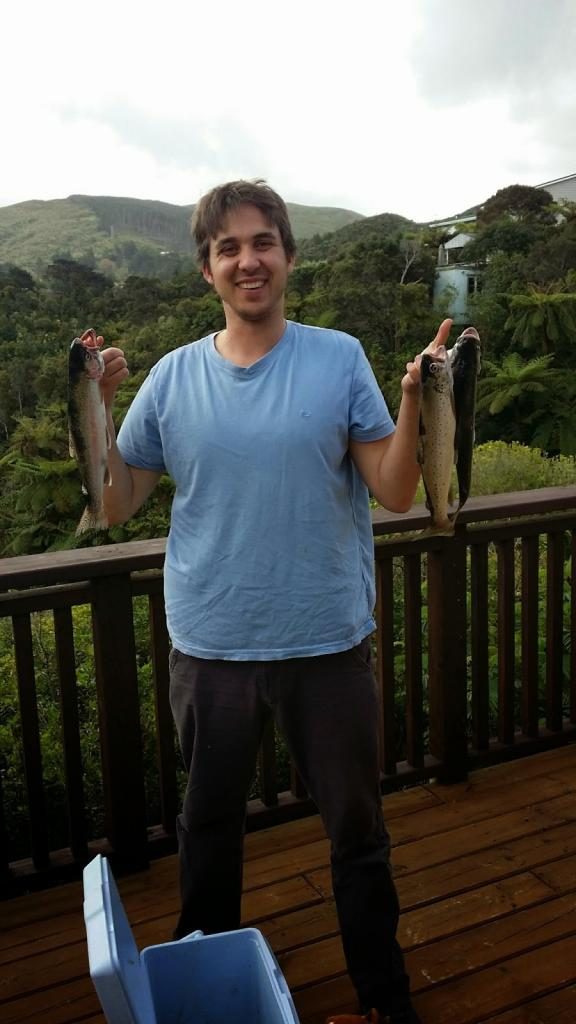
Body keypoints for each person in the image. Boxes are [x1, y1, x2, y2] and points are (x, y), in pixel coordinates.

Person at [100, 179, 452, 1024]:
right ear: (208, 271)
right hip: (211, 644)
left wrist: (413, 402)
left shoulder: (337, 357)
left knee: (358, 837)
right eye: (229, 248)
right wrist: (98, 408)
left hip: (326, 643)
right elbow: (115, 503)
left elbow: (396, 491)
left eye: (262, 242)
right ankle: (206, 993)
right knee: (208, 830)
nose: (247, 259)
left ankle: (383, 999)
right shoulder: (173, 377)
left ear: (289, 257)